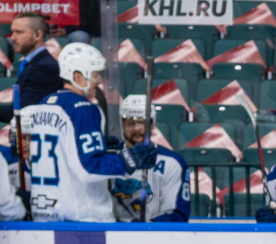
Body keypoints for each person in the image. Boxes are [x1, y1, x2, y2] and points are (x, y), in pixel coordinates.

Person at [14, 44, 137, 222]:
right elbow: (88, 167)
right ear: (77, 76)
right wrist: (127, 160)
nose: (99, 81)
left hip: (45, 214)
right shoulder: (83, 109)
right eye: (95, 74)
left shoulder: (42, 105)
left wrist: (107, 150)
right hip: (82, 218)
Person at [117, 94, 190, 222]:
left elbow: (177, 215)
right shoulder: (109, 158)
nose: (137, 128)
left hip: (155, 239)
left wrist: (144, 230)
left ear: (152, 124)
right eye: (130, 123)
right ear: (122, 124)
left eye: (142, 122)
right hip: (111, 236)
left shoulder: (172, 163)